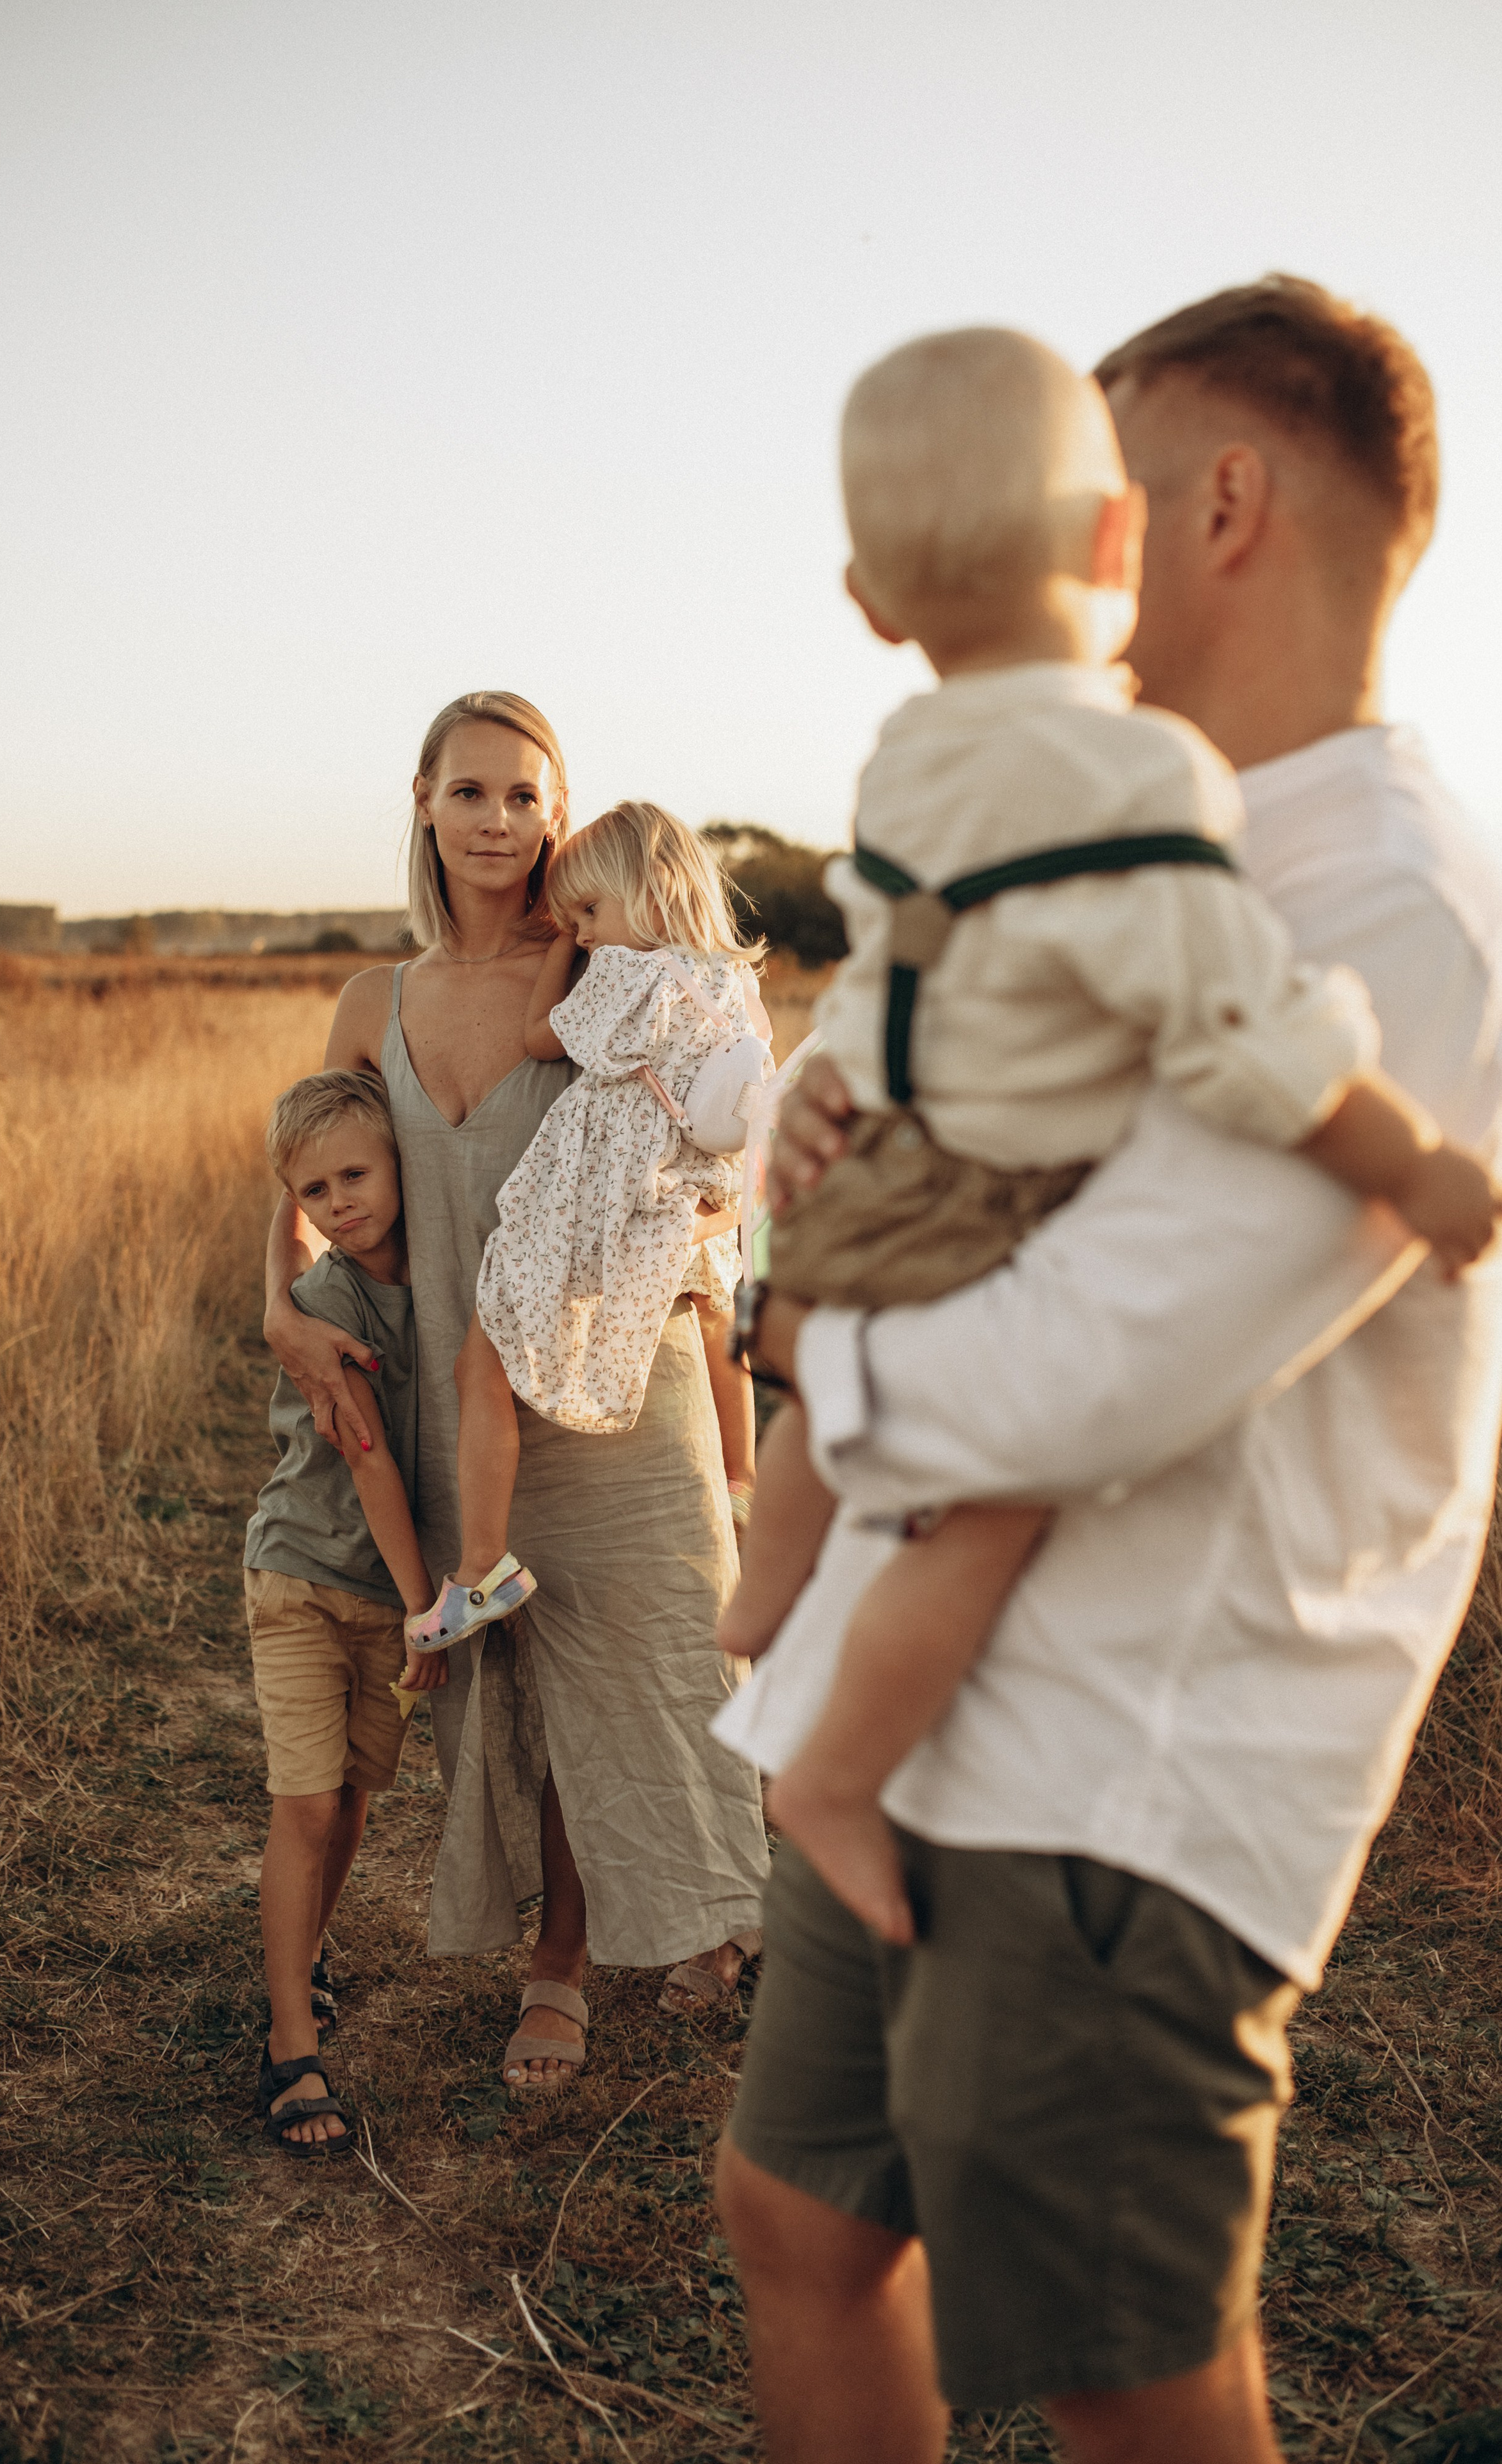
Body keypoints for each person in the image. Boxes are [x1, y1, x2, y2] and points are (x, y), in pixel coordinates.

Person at [713, 277, 1502, 2464]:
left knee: (1119, 2376)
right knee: (795, 2214)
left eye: (1090, 482)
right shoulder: (1103, 811)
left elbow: (1092, 1368)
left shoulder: (1393, 908)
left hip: (1120, 1769)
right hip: (925, 1695)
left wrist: (794, 1342)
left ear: (1215, 500)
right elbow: (902, 1069)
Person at [264, 693, 769, 2093]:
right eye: (471, 792)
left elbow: (707, 1138)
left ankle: (591, 1962)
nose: (500, 822)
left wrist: (710, 1263)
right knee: (521, 1688)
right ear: (422, 801)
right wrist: (277, 1300)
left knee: (655, 1658)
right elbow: (304, 1160)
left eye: (525, 797)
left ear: (560, 815)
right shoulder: (376, 999)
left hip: (623, 1379)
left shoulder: (606, 970)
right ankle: (576, 1946)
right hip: (462, 1390)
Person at [405, 798, 767, 1649]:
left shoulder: (622, 974)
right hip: (683, 1197)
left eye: (590, 912)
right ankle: (743, 1476)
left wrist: (562, 949)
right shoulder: (731, 984)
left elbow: (537, 1039)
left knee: (481, 1360)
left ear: (650, 893)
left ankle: (481, 1567)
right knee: (719, 1318)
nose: (585, 931)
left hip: (592, 1201)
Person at [243, 1070, 438, 2153]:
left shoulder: (444, 1275)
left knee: (356, 1798)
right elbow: (366, 1464)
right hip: (307, 1576)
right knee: (306, 1804)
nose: (340, 1203)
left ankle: (303, 1954)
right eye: (315, 1191)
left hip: (383, 1593)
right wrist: (426, 1609)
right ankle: (287, 2043)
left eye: (355, 1175)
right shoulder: (325, 1306)